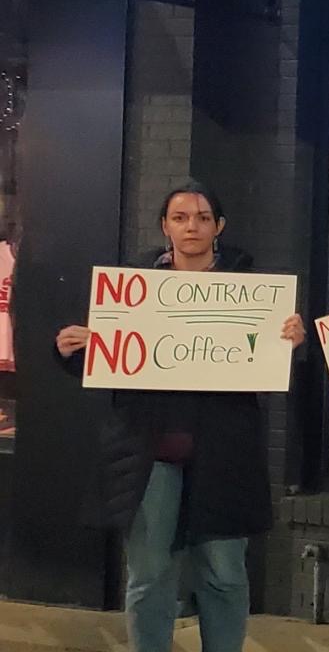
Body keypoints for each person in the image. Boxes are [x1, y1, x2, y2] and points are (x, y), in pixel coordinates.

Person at [53, 182, 307, 652]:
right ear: (165, 226)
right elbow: (103, 356)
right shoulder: (130, 288)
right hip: (149, 454)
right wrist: (71, 349)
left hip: (224, 455)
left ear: (219, 227)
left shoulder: (252, 292)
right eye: (181, 217)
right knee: (149, 576)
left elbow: (281, 366)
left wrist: (292, 340)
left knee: (225, 574)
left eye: (203, 217)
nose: (192, 225)